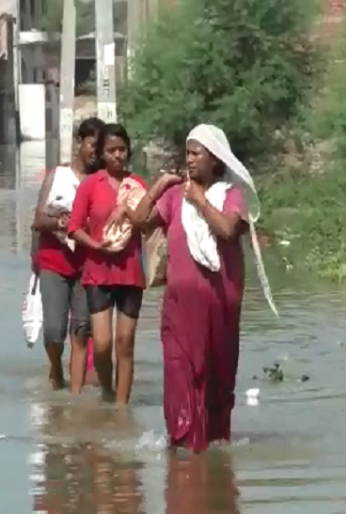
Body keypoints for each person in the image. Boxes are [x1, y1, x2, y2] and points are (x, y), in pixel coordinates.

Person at [128, 124, 277, 452]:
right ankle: (182, 447)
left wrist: (199, 200)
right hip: (180, 303)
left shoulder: (230, 195)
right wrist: (159, 185)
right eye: (188, 153)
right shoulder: (173, 195)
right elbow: (139, 222)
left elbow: (227, 230)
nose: (190, 160)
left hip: (220, 302)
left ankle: (213, 445)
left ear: (215, 159)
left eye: (197, 153)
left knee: (216, 375)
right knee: (180, 372)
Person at [67, 123, 146, 404]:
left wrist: (127, 209)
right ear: (101, 154)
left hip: (131, 272)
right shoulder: (90, 186)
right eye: (111, 150)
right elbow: (74, 228)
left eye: (122, 149)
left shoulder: (137, 187)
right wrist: (95, 245)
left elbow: (148, 223)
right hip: (98, 271)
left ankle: (122, 409)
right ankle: (107, 389)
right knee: (101, 345)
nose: (117, 155)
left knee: (125, 343)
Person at [32, 117, 104, 391]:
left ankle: (75, 394)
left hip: (88, 262)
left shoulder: (101, 182)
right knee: (54, 330)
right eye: (91, 145)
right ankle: (55, 368)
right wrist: (61, 223)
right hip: (54, 259)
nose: (95, 153)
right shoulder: (57, 176)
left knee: (82, 327)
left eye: (100, 148)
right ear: (79, 143)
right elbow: (38, 220)